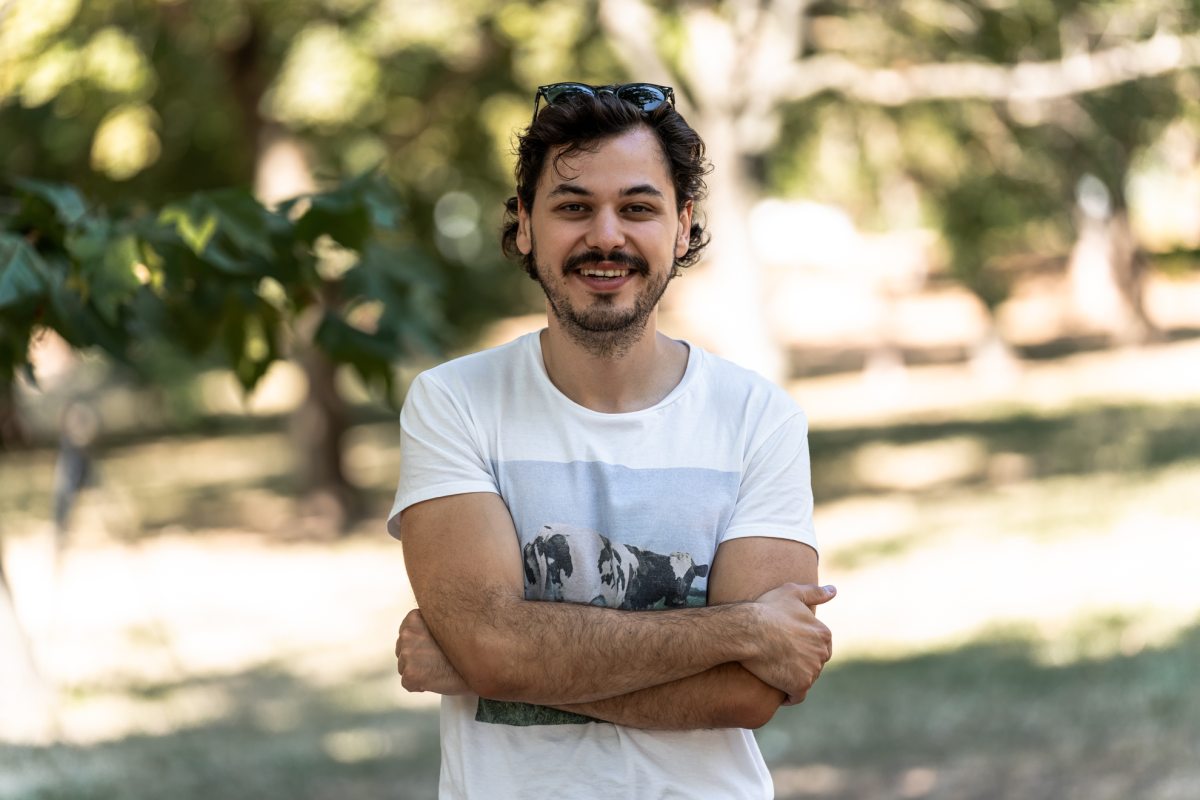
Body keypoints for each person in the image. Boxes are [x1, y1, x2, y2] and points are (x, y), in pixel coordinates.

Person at [389, 82, 834, 799]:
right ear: (525, 225)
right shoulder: (455, 402)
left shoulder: (758, 417)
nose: (605, 236)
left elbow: (752, 692)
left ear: (682, 227)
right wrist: (741, 628)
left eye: (637, 208)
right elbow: (493, 650)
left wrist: (485, 666)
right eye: (573, 207)